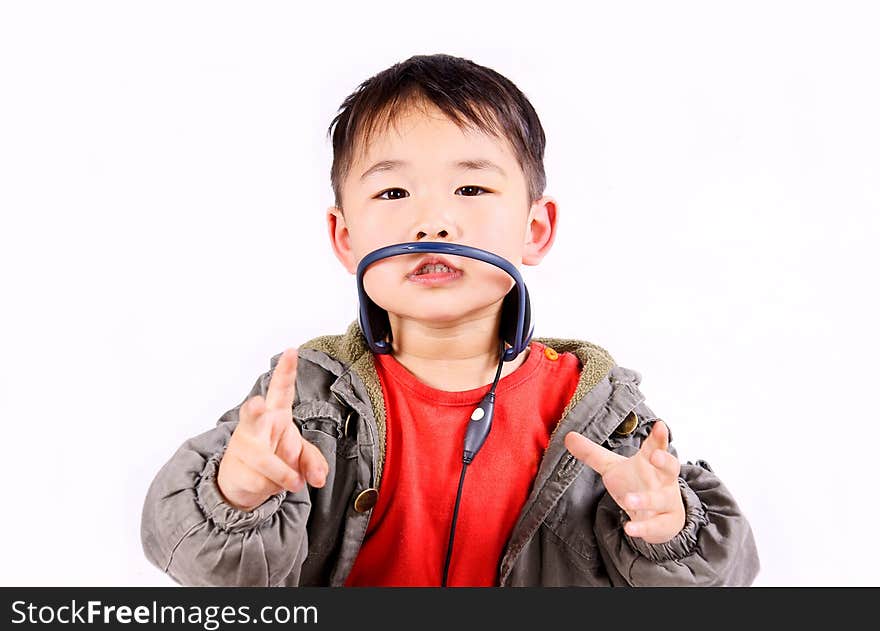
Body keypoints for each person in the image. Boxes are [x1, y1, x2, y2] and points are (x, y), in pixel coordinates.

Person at [140, 53, 760, 586]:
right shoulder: (302, 400)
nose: (432, 223)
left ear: (535, 229)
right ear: (345, 236)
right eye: (393, 193)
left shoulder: (598, 410)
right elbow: (202, 565)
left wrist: (667, 530)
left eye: (470, 191)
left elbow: (716, 582)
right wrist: (236, 496)